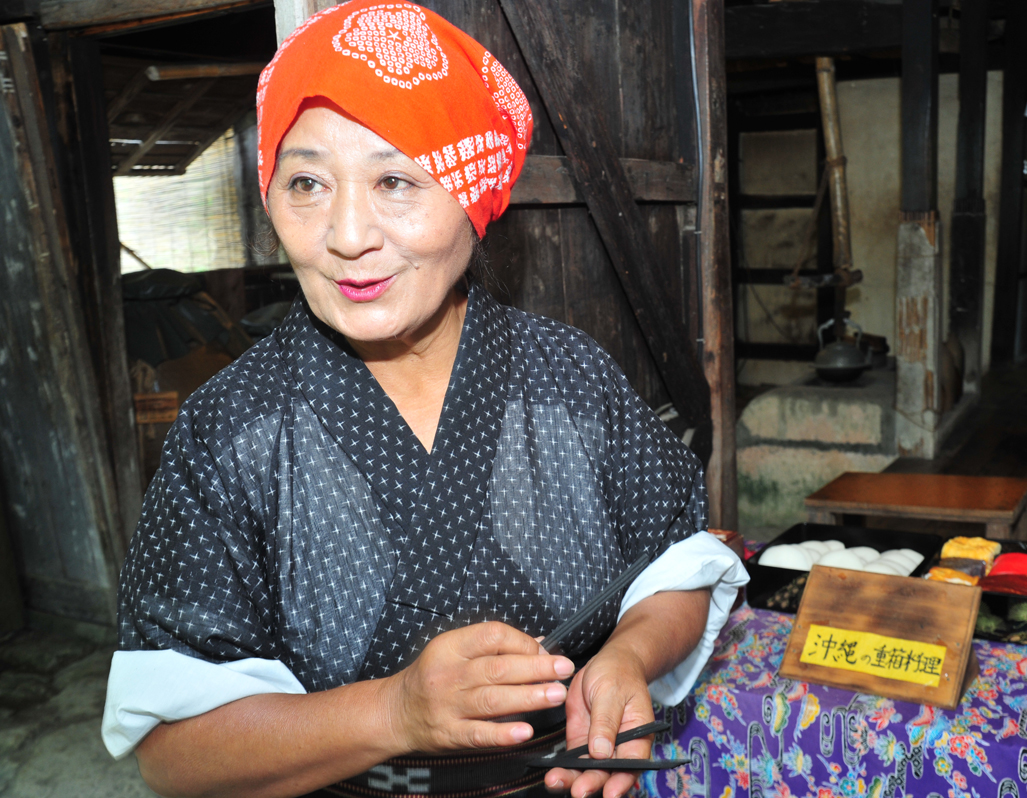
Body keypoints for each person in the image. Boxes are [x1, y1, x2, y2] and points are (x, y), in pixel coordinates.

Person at [101, 3, 747, 798]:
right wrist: (394, 713)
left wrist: (628, 656)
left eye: (395, 180)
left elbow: (678, 565)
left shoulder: (573, 380)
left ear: (474, 191)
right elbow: (171, 754)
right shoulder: (229, 433)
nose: (347, 235)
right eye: (306, 182)